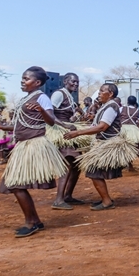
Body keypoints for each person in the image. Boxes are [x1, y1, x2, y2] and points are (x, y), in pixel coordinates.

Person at [0, 67, 68, 237]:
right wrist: (3, 127)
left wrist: (41, 110)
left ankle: (31, 223)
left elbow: (51, 121)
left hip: (34, 144)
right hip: (23, 145)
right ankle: (35, 221)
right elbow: (21, 124)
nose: (22, 81)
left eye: (26, 79)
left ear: (37, 82)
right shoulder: (25, 98)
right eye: (22, 78)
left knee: (15, 185)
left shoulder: (42, 98)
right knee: (15, 185)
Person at [67, 83, 138, 210]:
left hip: (107, 144)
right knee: (93, 171)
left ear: (110, 94)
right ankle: (106, 199)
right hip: (102, 142)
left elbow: (102, 127)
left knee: (93, 171)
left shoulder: (111, 106)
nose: (99, 93)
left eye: (101, 91)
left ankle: (106, 201)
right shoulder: (106, 106)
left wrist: (77, 133)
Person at [49, 72, 86, 210]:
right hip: (61, 134)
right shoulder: (59, 94)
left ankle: (68, 196)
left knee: (76, 165)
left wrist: (74, 118)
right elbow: (49, 114)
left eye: (77, 82)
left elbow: (66, 116)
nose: (75, 84)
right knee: (67, 164)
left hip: (69, 132)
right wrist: (64, 125)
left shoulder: (69, 96)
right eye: (73, 81)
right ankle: (59, 200)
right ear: (65, 81)